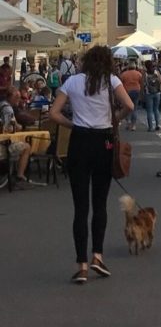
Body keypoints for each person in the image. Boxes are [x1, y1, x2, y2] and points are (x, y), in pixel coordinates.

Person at [50, 44, 133, 283]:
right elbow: (129, 106)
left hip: (79, 142)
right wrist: (113, 120)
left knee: (80, 208)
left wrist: (72, 124)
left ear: (86, 61)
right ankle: (98, 256)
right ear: (108, 62)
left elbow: (54, 113)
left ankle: (82, 265)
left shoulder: (73, 82)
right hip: (103, 142)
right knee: (100, 204)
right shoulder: (112, 80)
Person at [0, 92, 32, 188]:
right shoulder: (8, 109)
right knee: (27, 147)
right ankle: (19, 177)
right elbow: (8, 128)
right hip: (2, 146)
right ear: (9, 97)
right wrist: (19, 126)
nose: (19, 99)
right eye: (17, 97)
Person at [120, 61, 142, 131]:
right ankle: (133, 125)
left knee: (127, 107)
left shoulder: (124, 74)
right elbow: (141, 82)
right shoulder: (139, 74)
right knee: (134, 109)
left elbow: (120, 83)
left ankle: (128, 122)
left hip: (127, 92)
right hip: (136, 91)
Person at [143, 61, 161, 132]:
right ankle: (158, 125)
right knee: (156, 109)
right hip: (157, 93)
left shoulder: (145, 74)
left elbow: (143, 84)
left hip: (148, 93)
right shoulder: (156, 72)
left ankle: (150, 127)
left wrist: (142, 95)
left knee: (149, 111)